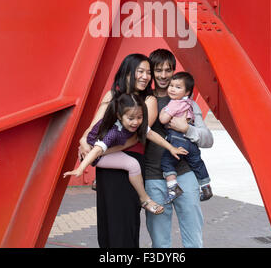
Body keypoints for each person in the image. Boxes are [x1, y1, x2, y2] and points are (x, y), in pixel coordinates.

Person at [78, 53, 161, 248]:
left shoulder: (149, 100)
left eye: (148, 72)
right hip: (107, 167)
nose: (145, 76)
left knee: (124, 224)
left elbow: (135, 136)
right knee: (107, 223)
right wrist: (83, 141)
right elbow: (94, 126)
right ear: (127, 72)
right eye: (140, 71)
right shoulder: (111, 96)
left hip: (129, 166)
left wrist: (99, 152)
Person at [64, 93, 188, 215]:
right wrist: (80, 169)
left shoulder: (138, 123)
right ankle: (145, 200)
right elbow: (96, 151)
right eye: (131, 118)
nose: (135, 122)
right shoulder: (113, 132)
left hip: (108, 148)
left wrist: (171, 148)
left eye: (139, 117)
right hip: (96, 155)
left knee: (132, 162)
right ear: (119, 116)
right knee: (132, 164)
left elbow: (151, 135)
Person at [144, 49, 214, 248]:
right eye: (158, 70)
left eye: (168, 70)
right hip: (153, 177)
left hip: (184, 175)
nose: (164, 75)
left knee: (193, 239)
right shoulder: (143, 99)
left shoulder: (186, 102)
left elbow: (208, 140)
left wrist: (187, 129)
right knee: (160, 242)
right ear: (152, 71)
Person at [159, 71, 213, 204]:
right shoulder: (189, 103)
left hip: (178, 140)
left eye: (178, 87)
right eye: (171, 85)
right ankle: (206, 186)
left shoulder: (174, 103)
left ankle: (173, 188)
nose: (172, 89)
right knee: (197, 162)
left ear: (187, 92)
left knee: (167, 161)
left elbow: (163, 119)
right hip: (191, 144)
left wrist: (163, 111)